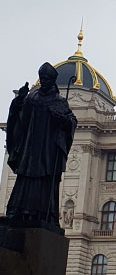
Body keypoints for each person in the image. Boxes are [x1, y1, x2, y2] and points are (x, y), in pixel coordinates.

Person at [4, 63, 77, 225]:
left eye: (46, 79)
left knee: (44, 182)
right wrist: (19, 100)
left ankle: (42, 214)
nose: (43, 81)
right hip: (30, 148)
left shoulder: (59, 101)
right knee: (25, 180)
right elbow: (19, 118)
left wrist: (63, 120)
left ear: (52, 80)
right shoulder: (31, 98)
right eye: (41, 78)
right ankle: (18, 212)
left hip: (47, 151)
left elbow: (71, 122)